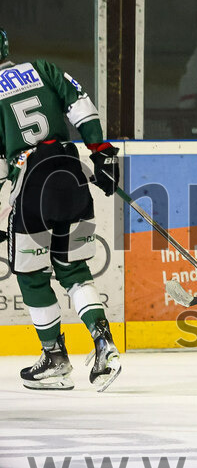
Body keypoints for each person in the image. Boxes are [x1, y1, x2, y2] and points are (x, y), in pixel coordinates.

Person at [0, 27, 122, 391]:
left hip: (32, 183)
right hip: (71, 172)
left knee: (32, 275)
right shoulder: (42, 68)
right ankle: (104, 345)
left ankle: (55, 358)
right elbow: (81, 105)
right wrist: (99, 152)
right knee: (73, 269)